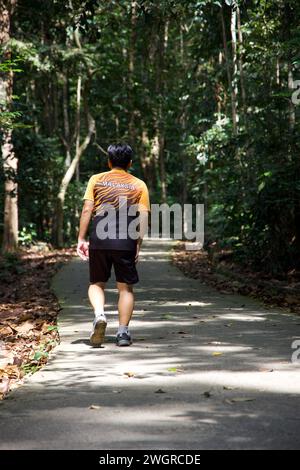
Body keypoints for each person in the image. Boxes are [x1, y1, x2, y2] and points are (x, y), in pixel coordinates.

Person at [77, 143, 150, 347]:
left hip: (99, 239)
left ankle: (100, 315)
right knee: (125, 288)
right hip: (126, 240)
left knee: (96, 283)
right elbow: (143, 216)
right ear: (130, 163)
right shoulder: (139, 184)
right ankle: (123, 333)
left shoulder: (96, 180)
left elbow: (87, 209)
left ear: (109, 161)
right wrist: (138, 243)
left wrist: (81, 239)